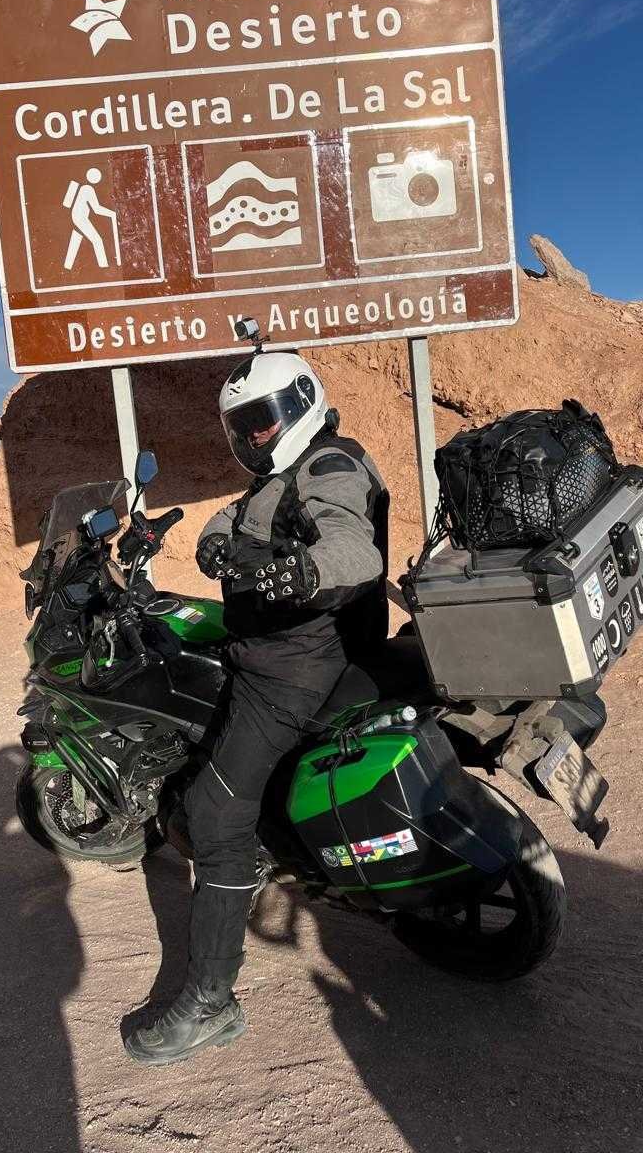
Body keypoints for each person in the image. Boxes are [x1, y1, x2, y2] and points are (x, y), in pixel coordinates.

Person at [124, 336, 389, 1067]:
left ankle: (210, 1003)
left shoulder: (329, 467)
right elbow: (244, 514)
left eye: (263, 420)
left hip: (293, 669)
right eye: (243, 425)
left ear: (301, 405)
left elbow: (353, 547)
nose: (253, 436)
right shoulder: (291, 472)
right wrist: (215, 541)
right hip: (284, 654)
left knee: (214, 813)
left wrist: (305, 573)